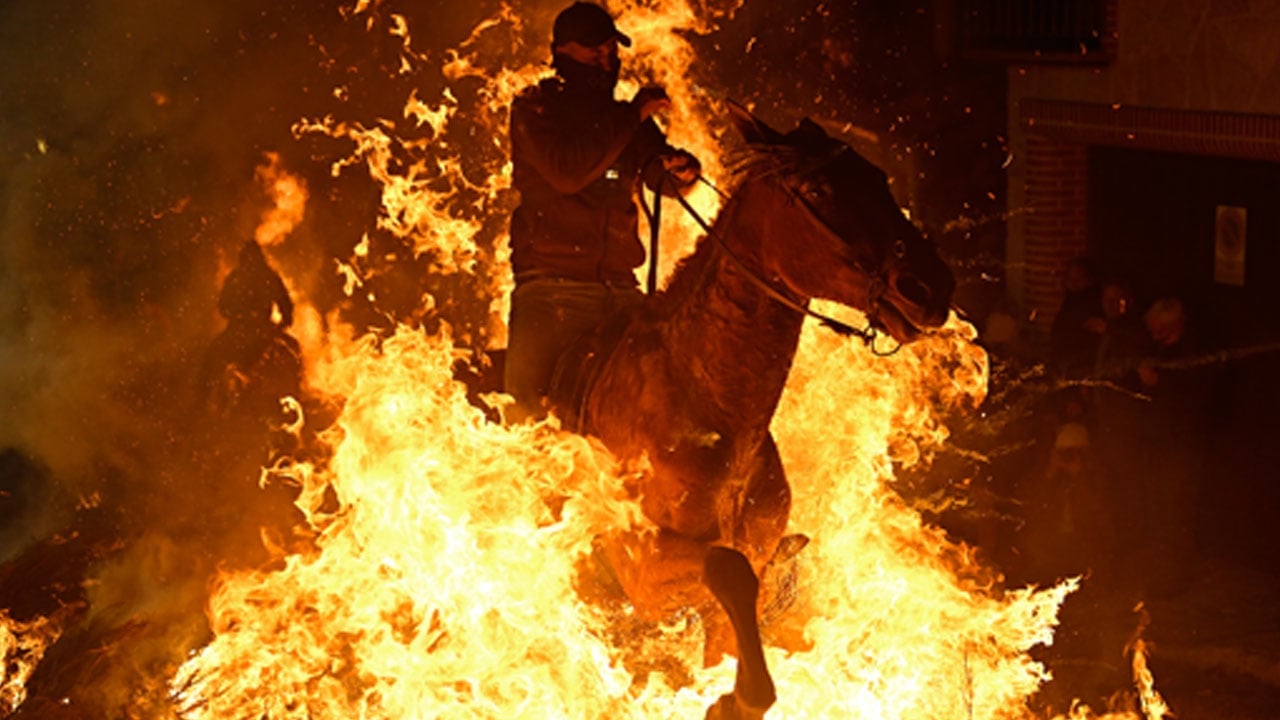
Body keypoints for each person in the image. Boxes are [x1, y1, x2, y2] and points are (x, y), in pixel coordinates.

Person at [503, 1, 701, 423]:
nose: (606, 59)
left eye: (611, 50)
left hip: (621, 293)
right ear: (562, 53)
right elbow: (568, 172)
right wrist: (632, 114)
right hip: (552, 293)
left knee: (668, 405)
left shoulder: (624, 119)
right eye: (594, 51)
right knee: (525, 414)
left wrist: (682, 172)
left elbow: (657, 177)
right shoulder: (536, 109)